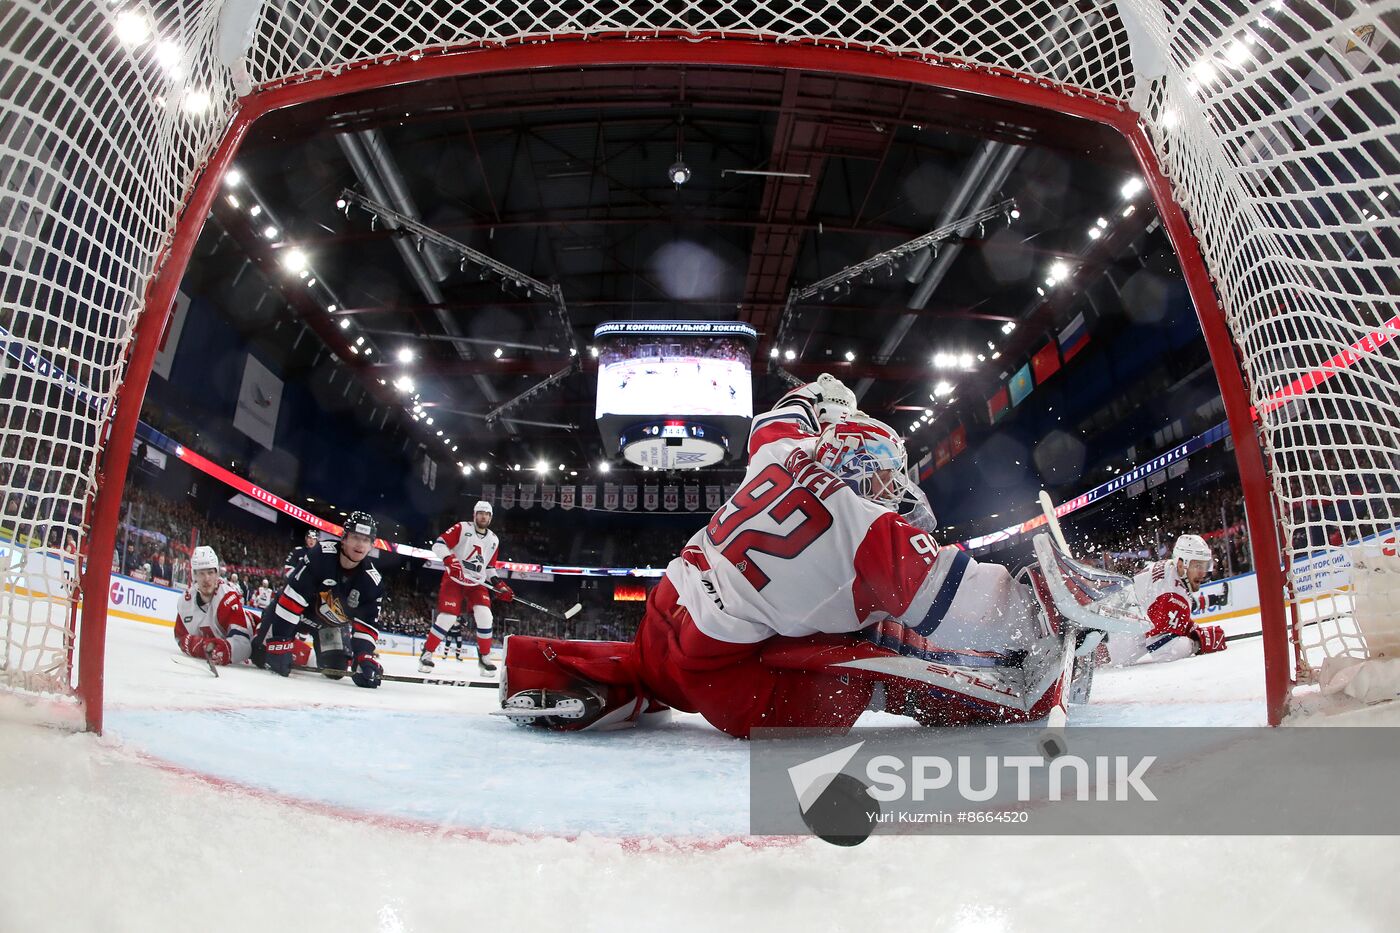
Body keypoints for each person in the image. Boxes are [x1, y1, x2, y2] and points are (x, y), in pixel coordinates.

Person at [499, 375, 1063, 737]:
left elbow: (777, 416)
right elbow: (984, 610)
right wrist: (1052, 611)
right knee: (881, 644)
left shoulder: (782, 453)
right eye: (887, 470)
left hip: (666, 616)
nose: (897, 486)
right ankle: (1006, 695)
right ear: (860, 468)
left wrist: (823, 396)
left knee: (663, 665)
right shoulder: (866, 530)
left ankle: (572, 672)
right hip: (736, 684)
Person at [254, 511, 386, 688]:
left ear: (371, 545)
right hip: (294, 615)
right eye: (355, 537)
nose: (360, 544)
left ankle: (301, 653)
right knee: (260, 656)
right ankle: (255, 628)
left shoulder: (372, 582)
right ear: (344, 538)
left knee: (336, 669)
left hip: (327, 626)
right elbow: (291, 600)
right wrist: (280, 639)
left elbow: (367, 627)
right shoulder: (321, 555)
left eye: (366, 540)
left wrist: (364, 657)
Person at [1105, 534, 1228, 665]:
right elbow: (1162, 649)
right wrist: (1198, 643)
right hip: (1112, 650)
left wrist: (1192, 630)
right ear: (1181, 565)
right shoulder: (1172, 595)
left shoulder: (1168, 568)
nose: (1203, 573)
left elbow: (1162, 616)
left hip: (1106, 633)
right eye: (1198, 566)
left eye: (1205, 566)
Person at [420, 501, 513, 675]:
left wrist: (499, 585)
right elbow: (438, 545)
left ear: (491, 517)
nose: (483, 516)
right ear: (474, 514)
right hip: (455, 579)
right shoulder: (462, 528)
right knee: (447, 618)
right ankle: (427, 653)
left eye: (487, 514)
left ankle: (484, 658)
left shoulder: (493, 539)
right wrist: (449, 560)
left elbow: (489, 568)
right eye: (480, 513)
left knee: (485, 616)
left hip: (476, 583)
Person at [174, 546, 255, 667]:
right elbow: (180, 636)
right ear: (194, 575)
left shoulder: (227, 599)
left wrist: (225, 649)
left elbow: (244, 645)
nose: (206, 579)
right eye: (201, 573)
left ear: (217, 573)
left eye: (210, 572)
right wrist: (201, 646)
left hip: (259, 634)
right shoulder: (185, 602)